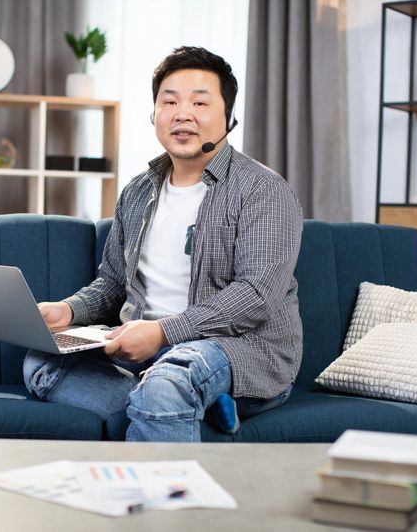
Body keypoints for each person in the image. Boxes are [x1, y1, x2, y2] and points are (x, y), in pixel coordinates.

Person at [23, 46, 303, 442]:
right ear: (155, 114)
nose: (182, 114)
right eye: (169, 101)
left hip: (233, 351)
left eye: (200, 102)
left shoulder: (263, 190)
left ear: (229, 117)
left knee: (167, 382)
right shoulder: (137, 192)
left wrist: (162, 333)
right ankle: (189, 408)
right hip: (144, 351)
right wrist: (68, 311)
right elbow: (113, 283)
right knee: (40, 360)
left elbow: (256, 295)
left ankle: (170, 414)